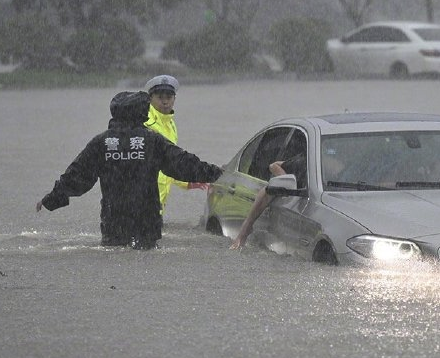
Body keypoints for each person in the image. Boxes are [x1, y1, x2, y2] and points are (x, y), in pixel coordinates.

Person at [36, 91, 223, 250]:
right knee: (146, 258)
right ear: (142, 112)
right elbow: (184, 164)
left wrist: (52, 198)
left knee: (115, 256)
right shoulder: (152, 141)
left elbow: (77, 175)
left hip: (113, 220)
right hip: (147, 220)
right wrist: (219, 174)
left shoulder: (101, 142)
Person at [144, 75, 207, 214]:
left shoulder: (170, 124)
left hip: (157, 202)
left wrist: (187, 181)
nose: (165, 102)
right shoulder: (145, 123)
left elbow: (170, 162)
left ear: (174, 99)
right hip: (144, 200)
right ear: (150, 98)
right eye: (160, 97)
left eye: (169, 97)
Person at [229, 152, 306, 250]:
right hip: (260, 193)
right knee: (267, 190)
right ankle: (245, 230)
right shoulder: (305, 162)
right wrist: (284, 179)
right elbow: (274, 165)